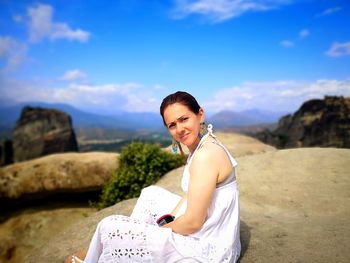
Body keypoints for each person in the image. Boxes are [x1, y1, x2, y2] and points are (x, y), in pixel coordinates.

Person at [68, 91, 241, 263]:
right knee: (151, 194)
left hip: (210, 247)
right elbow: (192, 194)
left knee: (108, 225)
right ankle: (130, 242)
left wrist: (159, 230)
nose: (179, 129)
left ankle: (117, 248)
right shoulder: (203, 143)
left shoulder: (205, 156)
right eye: (172, 125)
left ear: (200, 114)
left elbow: (193, 223)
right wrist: (170, 219)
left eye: (184, 119)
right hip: (212, 230)